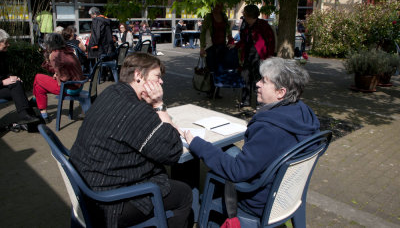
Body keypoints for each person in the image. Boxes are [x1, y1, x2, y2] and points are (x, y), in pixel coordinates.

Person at [184, 57, 320, 219]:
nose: (257, 84)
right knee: (227, 149)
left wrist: (197, 144)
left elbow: (237, 171)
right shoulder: (303, 113)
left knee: (215, 161)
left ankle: (200, 209)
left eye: (264, 81)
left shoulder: (270, 129)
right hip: (286, 194)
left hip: (259, 201)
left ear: (280, 92)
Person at [70, 53, 193, 228]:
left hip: (88, 185)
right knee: (184, 193)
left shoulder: (112, 92)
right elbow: (173, 150)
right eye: (157, 77)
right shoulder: (134, 112)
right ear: (138, 76)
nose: (161, 82)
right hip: (110, 204)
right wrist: (158, 104)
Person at [228, 4, 276, 108]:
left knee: (258, 80)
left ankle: (260, 103)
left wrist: (269, 58)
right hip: (248, 55)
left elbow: (271, 42)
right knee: (245, 78)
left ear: (250, 15)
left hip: (259, 56)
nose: (244, 16)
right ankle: (246, 102)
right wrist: (235, 45)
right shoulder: (246, 25)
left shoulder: (263, 25)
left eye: (245, 14)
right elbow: (244, 41)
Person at [32, 33, 84, 123]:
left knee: (38, 78)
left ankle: (35, 102)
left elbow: (64, 78)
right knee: (39, 86)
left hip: (69, 87)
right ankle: (43, 114)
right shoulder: (68, 50)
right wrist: (57, 74)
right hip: (78, 85)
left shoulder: (55, 55)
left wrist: (57, 76)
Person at [0, 29, 39, 125]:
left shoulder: (2, 55)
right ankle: (28, 112)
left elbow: (4, 73)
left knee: (17, 84)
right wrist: (3, 82)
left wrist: (12, 77)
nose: (8, 45)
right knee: (17, 89)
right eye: (6, 42)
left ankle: (28, 117)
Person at [200, 2, 234, 98]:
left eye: (219, 6)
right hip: (211, 47)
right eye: (215, 6)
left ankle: (217, 91)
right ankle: (210, 90)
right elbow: (203, 32)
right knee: (211, 69)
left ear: (222, 7)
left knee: (220, 69)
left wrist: (231, 40)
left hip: (222, 46)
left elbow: (228, 30)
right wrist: (202, 47)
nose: (216, 8)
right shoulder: (209, 17)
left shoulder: (223, 16)